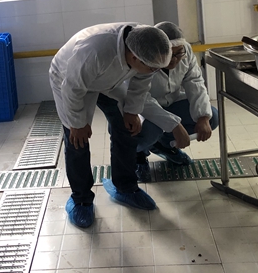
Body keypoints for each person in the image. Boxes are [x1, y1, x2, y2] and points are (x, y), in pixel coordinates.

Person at [49, 22, 172, 228]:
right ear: (134, 58)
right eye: (152, 68)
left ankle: (125, 187)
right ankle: (81, 199)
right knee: (76, 139)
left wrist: (132, 111)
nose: (154, 71)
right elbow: (72, 88)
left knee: (126, 127)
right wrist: (77, 124)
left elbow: (141, 83)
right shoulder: (95, 51)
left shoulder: (147, 47)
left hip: (109, 81)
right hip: (68, 79)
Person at [134, 21, 219, 182]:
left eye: (178, 54)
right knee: (150, 130)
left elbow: (195, 81)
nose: (174, 60)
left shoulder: (185, 50)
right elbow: (141, 98)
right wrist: (175, 125)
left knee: (212, 117)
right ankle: (138, 156)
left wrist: (203, 117)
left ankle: (164, 146)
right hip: (144, 110)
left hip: (171, 102)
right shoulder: (144, 57)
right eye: (169, 55)